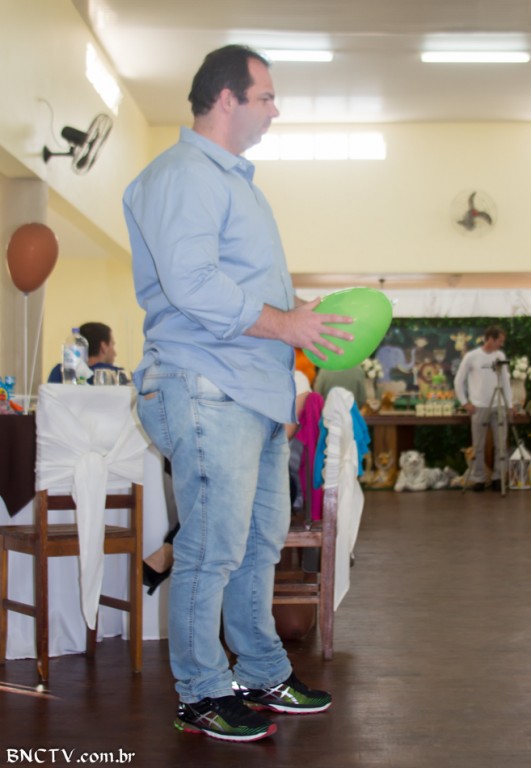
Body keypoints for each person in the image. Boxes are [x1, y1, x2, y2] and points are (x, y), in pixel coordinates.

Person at [123, 44, 353, 743]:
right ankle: (199, 693)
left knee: (257, 546)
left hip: (251, 392)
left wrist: (294, 316)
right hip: (206, 384)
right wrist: (284, 323)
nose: (275, 109)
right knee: (212, 548)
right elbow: (192, 284)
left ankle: (260, 671)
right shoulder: (182, 174)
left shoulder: (237, 185)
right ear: (226, 98)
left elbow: (238, 285)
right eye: (266, 96)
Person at [454, 324, 514, 492]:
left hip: (499, 405)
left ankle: (498, 477)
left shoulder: (500, 355)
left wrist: (509, 404)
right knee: (478, 445)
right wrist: (465, 402)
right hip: (479, 406)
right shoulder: (472, 356)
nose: (501, 344)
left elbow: (506, 381)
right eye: (499, 341)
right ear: (490, 339)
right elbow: (458, 380)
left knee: (501, 444)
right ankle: (478, 478)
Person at [48, 322, 127, 384]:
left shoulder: (59, 372)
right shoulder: (115, 374)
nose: (115, 353)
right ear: (103, 347)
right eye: (112, 345)